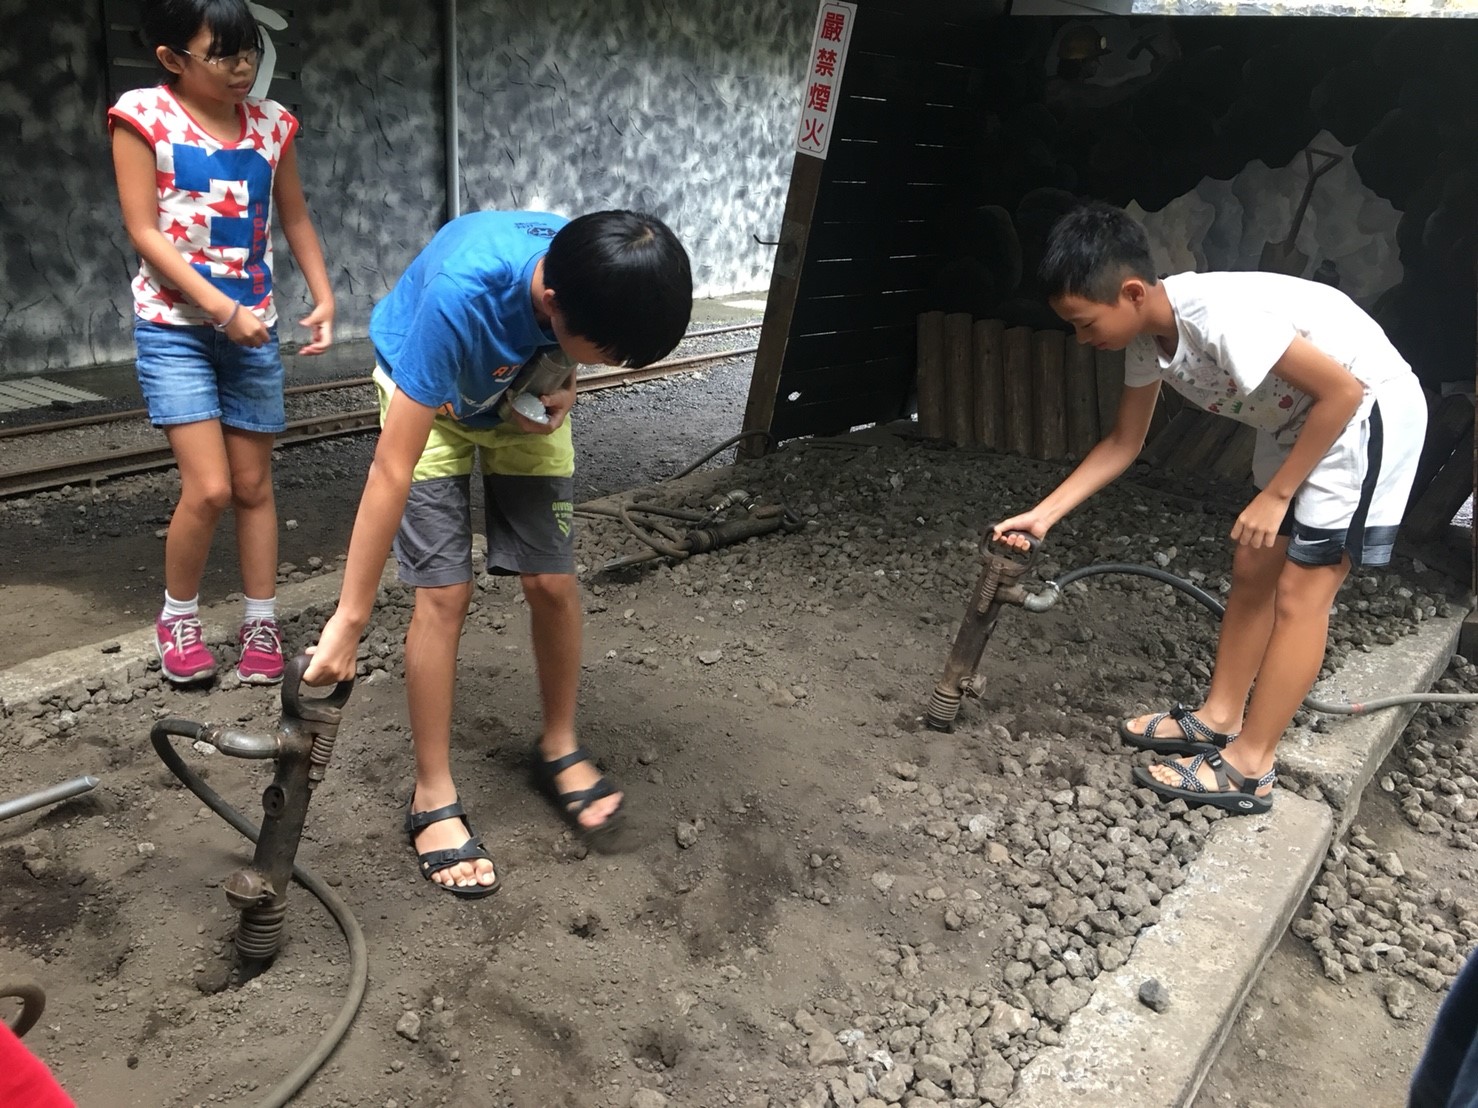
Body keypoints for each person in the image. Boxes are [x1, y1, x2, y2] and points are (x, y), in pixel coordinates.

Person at [303, 210, 691, 897]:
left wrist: (566, 385)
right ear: (553, 303)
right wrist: (349, 620)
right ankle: (431, 791)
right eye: (604, 352)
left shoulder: (593, 268)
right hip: (429, 401)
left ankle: (559, 745)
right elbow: (391, 470)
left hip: (522, 396)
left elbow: (573, 355)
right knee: (443, 593)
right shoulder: (462, 298)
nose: (606, 364)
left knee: (551, 581)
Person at [994, 201, 1426, 815]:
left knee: (1302, 593)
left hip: (1362, 415)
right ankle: (1221, 716)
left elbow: (1343, 390)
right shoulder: (1147, 341)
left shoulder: (1216, 316)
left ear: (1132, 292)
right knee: (1253, 567)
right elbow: (1123, 443)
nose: (1083, 339)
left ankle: (1250, 767)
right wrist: (1043, 514)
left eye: (1085, 324)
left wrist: (1277, 495)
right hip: (1301, 422)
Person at [110, 0, 335, 686]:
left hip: (253, 329)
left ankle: (260, 620)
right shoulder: (142, 115)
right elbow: (144, 232)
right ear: (171, 59)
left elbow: (294, 216)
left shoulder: (271, 124)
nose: (243, 68)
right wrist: (219, 309)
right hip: (175, 330)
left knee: (253, 486)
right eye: (224, 55)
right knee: (209, 489)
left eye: (250, 53)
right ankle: (178, 616)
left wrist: (323, 294)